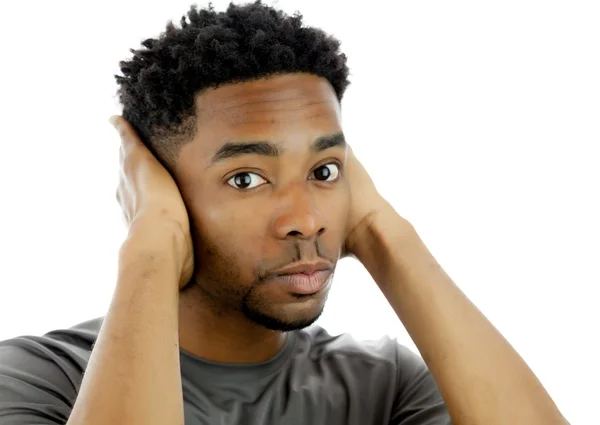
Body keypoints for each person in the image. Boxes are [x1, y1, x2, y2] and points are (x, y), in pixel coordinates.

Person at [0, 2, 568, 424]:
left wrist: (383, 232)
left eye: (324, 172)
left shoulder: (383, 386)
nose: (306, 220)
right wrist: (149, 248)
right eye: (247, 178)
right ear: (158, 191)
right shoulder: (38, 380)